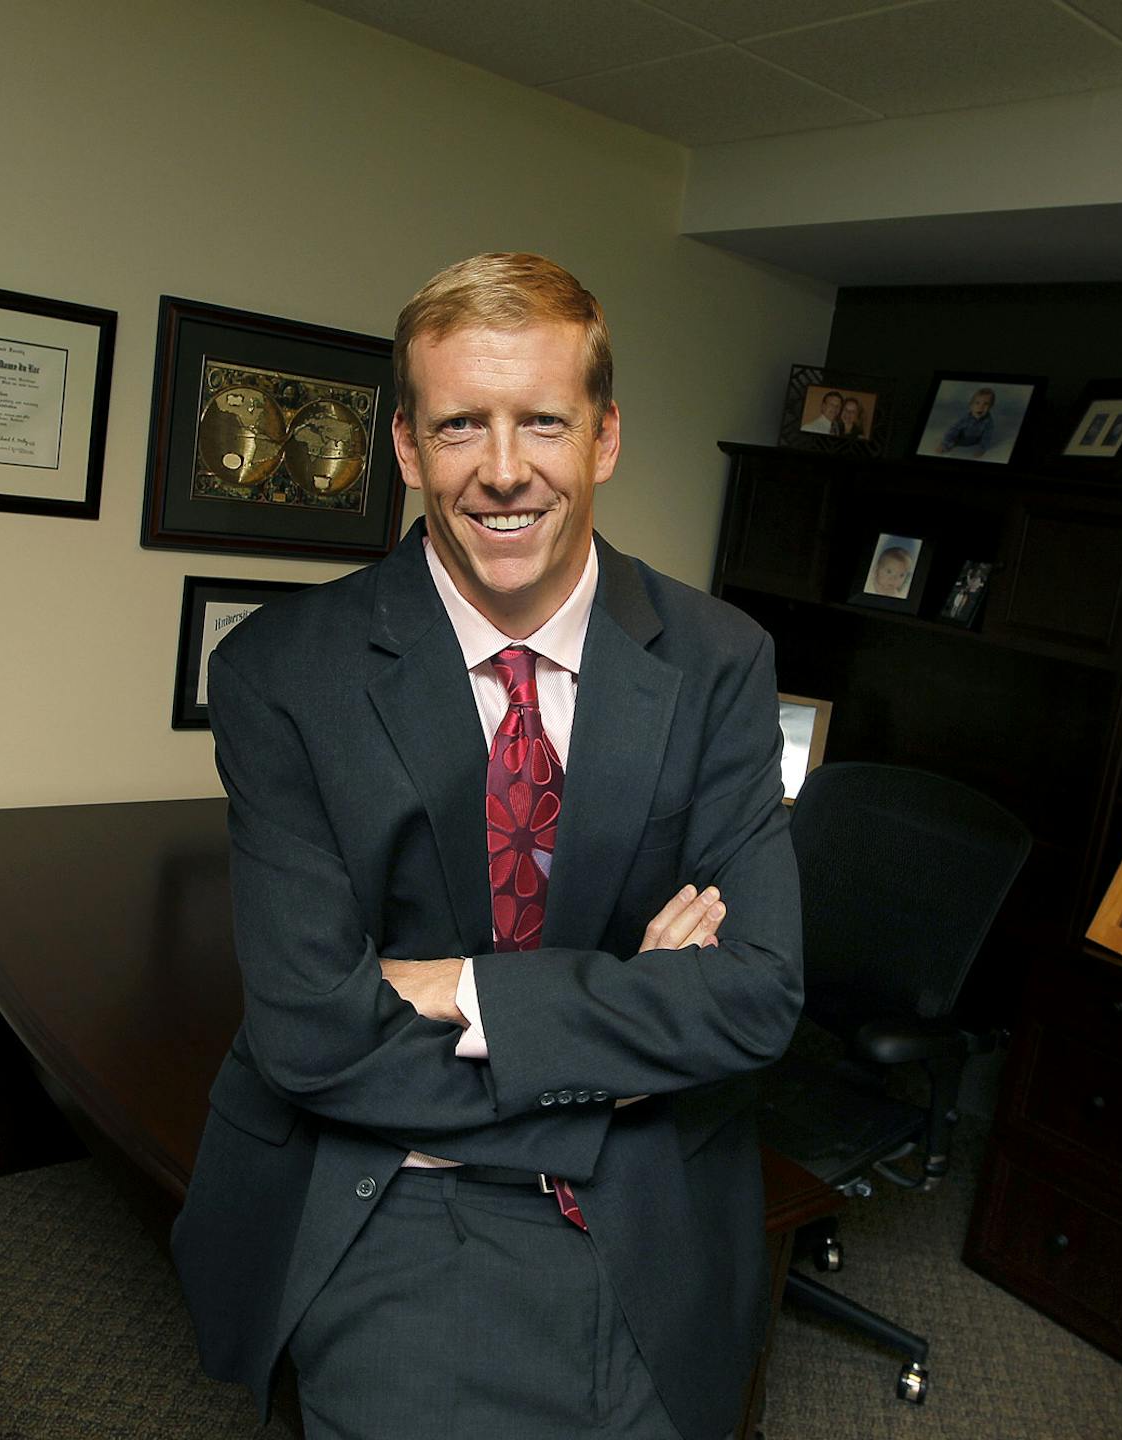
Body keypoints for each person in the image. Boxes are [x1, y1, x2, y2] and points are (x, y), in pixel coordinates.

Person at [170, 252, 805, 1440]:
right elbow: (314, 1034)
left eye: (543, 423)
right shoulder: (281, 675)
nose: (503, 471)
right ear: (408, 448)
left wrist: (464, 992)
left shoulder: (721, 661)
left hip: (652, 1206)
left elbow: (759, 995)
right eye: (462, 424)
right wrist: (626, 1035)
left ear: (605, 438)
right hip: (396, 1201)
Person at [937, 385, 996, 454]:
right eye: (977, 403)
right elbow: (954, 429)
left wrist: (982, 449)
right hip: (960, 438)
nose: (981, 407)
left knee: (983, 439)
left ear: (991, 407)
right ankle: (945, 445)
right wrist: (945, 443)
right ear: (971, 405)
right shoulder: (966, 418)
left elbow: (987, 437)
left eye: (986, 404)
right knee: (953, 435)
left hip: (974, 441)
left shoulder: (988, 421)